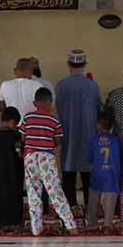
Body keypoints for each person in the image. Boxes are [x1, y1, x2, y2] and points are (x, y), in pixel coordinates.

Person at [20, 88, 79, 236]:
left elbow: (22, 138)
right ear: (50, 103)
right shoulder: (54, 119)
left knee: (33, 192)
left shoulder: (27, 117)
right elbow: (58, 140)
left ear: (35, 102)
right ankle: (71, 226)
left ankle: (36, 229)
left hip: (30, 158)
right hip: (46, 157)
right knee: (55, 191)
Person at [55, 49, 101, 209]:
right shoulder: (92, 86)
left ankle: (70, 207)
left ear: (68, 64)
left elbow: (58, 110)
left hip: (68, 134)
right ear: (85, 64)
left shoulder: (61, 86)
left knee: (68, 171)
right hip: (88, 136)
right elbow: (98, 109)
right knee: (88, 172)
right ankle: (91, 207)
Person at [0, 107, 25, 231]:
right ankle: (15, 222)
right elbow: (20, 153)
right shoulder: (16, 136)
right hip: (14, 173)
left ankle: (1, 223)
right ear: (12, 121)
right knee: (15, 196)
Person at [86, 112, 122, 232]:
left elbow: (90, 158)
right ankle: (108, 224)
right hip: (112, 174)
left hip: (97, 174)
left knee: (93, 199)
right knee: (111, 200)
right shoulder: (117, 140)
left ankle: (92, 223)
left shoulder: (93, 140)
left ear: (98, 126)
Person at [0, 59, 43, 127]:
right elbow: (43, 107)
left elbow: (1, 107)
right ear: (31, 71)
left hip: (12, 126)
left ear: (15, 71)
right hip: (32, 126)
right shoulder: (37, 85)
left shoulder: (5, 84)